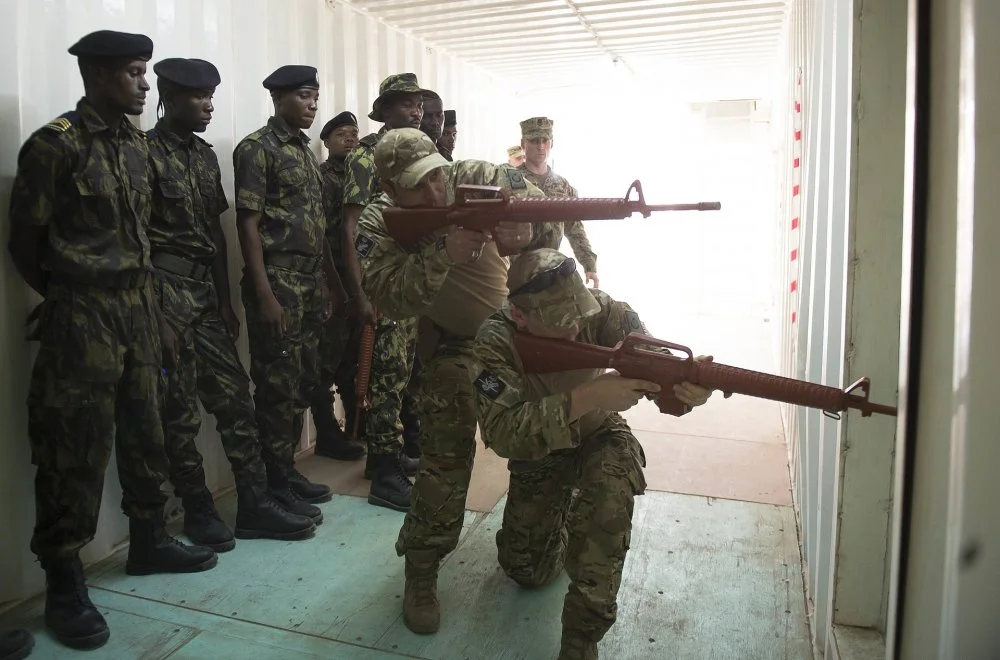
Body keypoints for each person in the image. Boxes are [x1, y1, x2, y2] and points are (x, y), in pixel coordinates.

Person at [6, 29, 216, 651]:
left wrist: (156, 312)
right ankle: (65, 579)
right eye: (133, 72)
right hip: (84, 315)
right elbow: (24, 238)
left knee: (146, 429)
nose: (145, 84)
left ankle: (148, 540)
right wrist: (66, 294)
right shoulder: (55, 146)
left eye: (146, 71)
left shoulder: (134, 144)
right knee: (73, 448)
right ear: (98, 77)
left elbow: (144, 233)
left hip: (141, 308)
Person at [469, 248, 714, 659]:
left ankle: (582, 636)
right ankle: (563, 516)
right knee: (527, 570)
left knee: (609, 503)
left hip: (600, 433)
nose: (575, 327)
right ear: (519, 315)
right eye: (559, 322)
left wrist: (687, 389)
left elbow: (660, 368)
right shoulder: (494, 341)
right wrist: (589, 395)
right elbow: (503, 434)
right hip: (538, 451)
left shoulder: (601, 310)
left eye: (577, 315)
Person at [355, 128, 554, 634]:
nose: (435, 190)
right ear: (388, 186)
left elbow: (552, 214)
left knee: (541, 440)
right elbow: (392, 298)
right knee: (444, 453)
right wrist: (442, 251)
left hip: (519, 335)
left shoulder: (479, 177)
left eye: (437, 174)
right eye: (417, 185)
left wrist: (527, 233)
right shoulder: (378, 221)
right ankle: (421, 567)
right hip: (456, 345)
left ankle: (535, 541)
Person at [147, 57, 316, 551]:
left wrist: (225, 301)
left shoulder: (201, 156)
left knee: (236, 401)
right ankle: (197, 507)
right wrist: (156, 312)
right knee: (178, 411)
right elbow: (135, 238)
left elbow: (216, 237)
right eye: (198, 97)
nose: (208, 106)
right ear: (170, 97)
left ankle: (255, 501)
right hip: (165, 292)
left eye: (212, 96)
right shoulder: (145, 154)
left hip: (203, 294)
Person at [233, 65, 346, 525]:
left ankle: (286, 472)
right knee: (276, 386)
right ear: (278, 98)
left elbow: (317, 225)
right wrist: (263, 293)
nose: (313, 105)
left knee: (301, 382)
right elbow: (248, 223)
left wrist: (332, 282)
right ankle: (273, 483)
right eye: (304, 96)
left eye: (316, 97)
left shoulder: (304, 152)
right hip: (278, 281)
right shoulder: (257, 149)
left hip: (310, 281)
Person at [341, 74, 431, 508]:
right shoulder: (366, 156)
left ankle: (385, 459)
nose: (415, 110)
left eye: (418, 103)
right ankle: (383, 470)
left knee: (405, 374)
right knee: (387, 375)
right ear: (385, 109)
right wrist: (362, 293)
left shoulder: (422, 152)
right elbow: (351, 226)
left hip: (408, 278)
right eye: (405, 104)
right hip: (382, 281)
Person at [308, 110, 366, 461]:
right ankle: (327, 430)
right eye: (342, 133)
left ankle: (358, 424)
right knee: (327, 358)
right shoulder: (322, 178)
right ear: (326, 141)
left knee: (355, 357)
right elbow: (322, 235)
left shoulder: (364, 175)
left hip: (360, 277)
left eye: (354, 133)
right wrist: (335, 285)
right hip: (335, 278)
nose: (350, 138)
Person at [517, 117, 600, 288]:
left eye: (544, 141)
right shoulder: (512, 180)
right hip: (515, 268)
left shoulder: (562, 186)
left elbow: (574, 228)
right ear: (523, 144)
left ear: (551, 143)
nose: (540, 146)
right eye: (534, 141)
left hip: (549, 269)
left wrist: (589, 264)